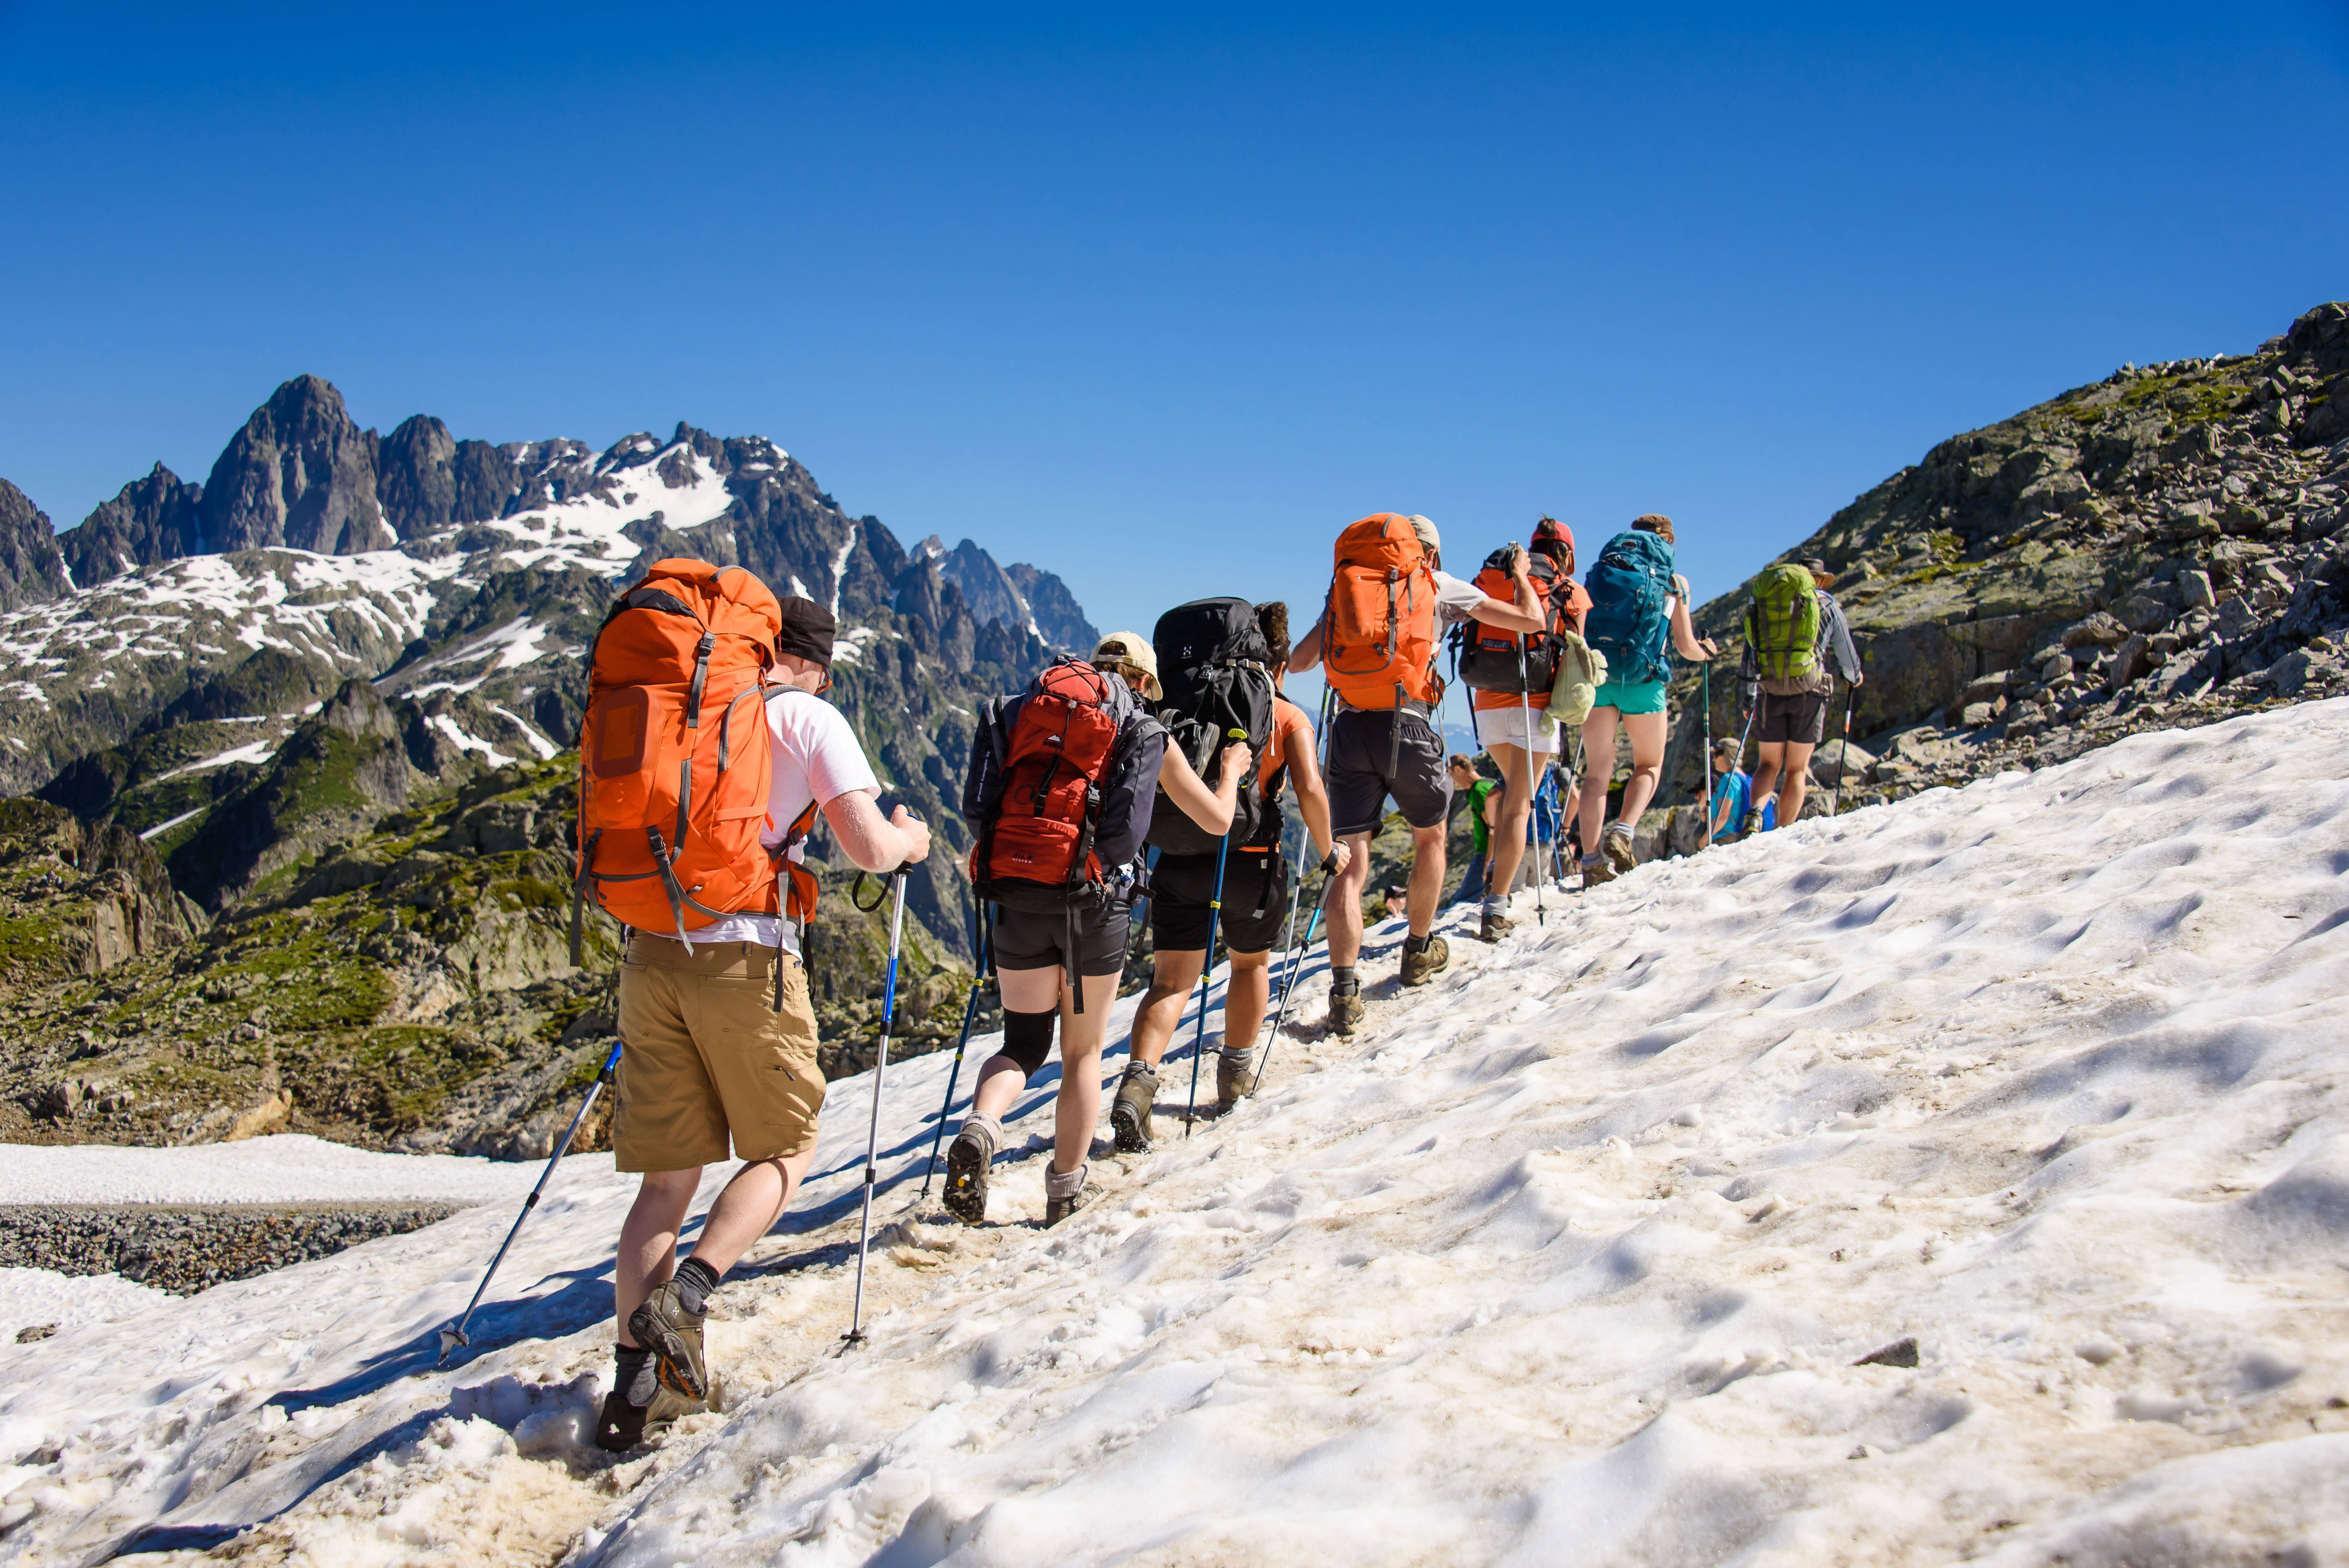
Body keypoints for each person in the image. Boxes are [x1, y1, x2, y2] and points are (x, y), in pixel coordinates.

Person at [600, 595, 931, 1453]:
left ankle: (633, 1393)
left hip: (649, 947)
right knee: (788, 1148)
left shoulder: (689, 702)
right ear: (816, 665)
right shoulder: (807, 715)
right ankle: (689, 1294)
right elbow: (865, 848)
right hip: (746, 952)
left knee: (664, 1185)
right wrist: (910, 839)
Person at [943, 632, 1248, 1226]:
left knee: (1022, 1044)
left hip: (1017, 893)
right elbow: (1216, 820)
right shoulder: (1145, 729)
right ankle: (1063, 1193)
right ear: (1144, 682)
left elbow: (981, 807)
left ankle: (982, 1126)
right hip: (1095, 908)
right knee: (1081, 1053)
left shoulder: (1022, 710)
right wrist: (1232, 770)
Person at [1290, 515, 1545, 1035]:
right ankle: (1418, 949)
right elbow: (1530, 621)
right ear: (1429, 552)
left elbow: (1299, 662)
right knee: (1430, 839)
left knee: (1349, 862)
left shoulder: (1346, 589)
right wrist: (1520, 575)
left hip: (1349, 729)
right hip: (1410, 724)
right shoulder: (1437, 583)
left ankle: (1344, 990)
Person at [1115, 604, 1349, 1146]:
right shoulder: (1286, 716)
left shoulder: (1185, 701)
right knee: (1249, 965)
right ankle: (1235, 1078)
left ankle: (1138, 1083)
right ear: (1277, 662)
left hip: (1180, 856)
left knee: (1170, 982)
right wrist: (1329, 850)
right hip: (1252, 859)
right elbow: (1310, 789)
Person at [1575, 515, 1718, 887]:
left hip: (1599, 676)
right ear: (1668, 541)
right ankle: (1623, 831)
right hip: (1643, 679)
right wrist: (1706, 652)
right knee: (1649, 764)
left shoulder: (1605, 569)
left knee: (1597, 774)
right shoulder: (1675, 581)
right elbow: (1685, 646)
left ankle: (1590, 862)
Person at [1469, 517, 1590, 941]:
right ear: (1566, 553)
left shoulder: (1497, 575)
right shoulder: (1568, 590)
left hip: (1487, 703)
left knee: (1512, 793)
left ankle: (1495, 881)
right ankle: (1497, 906)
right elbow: (1578, 654)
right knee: (1521, 805)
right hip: (1533, 705)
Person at [1741, 558, 1863, 834]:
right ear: (1818, 580)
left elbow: (1750, 652)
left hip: (1769, 690)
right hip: (1809, 692)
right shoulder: (1828, 606)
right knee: (1797, 768)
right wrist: (1854, 677)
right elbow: (1846, 653)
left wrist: (1748, 698)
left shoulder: (1767, 604)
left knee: (1768, 763)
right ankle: (1783, 830)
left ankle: (1756, 814)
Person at [1443, 754, 1499, 907]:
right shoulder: (1490, 783)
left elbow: (1493, 829)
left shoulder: (1478, 791)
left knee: (1462, 901)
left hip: (1486, 852)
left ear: (1458, 770)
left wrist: (1488, 863)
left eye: (1450, 774)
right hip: (1498, 851)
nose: (1452, 782)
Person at [1709, 738, 1753, 842]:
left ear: (1727, 755)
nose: (1713, 760)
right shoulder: (1747, 779)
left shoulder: (1728, 780)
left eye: (1716, 755)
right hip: (1740, 836)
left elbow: (1722, 817)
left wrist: (1705, 839)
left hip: (1725, 838)